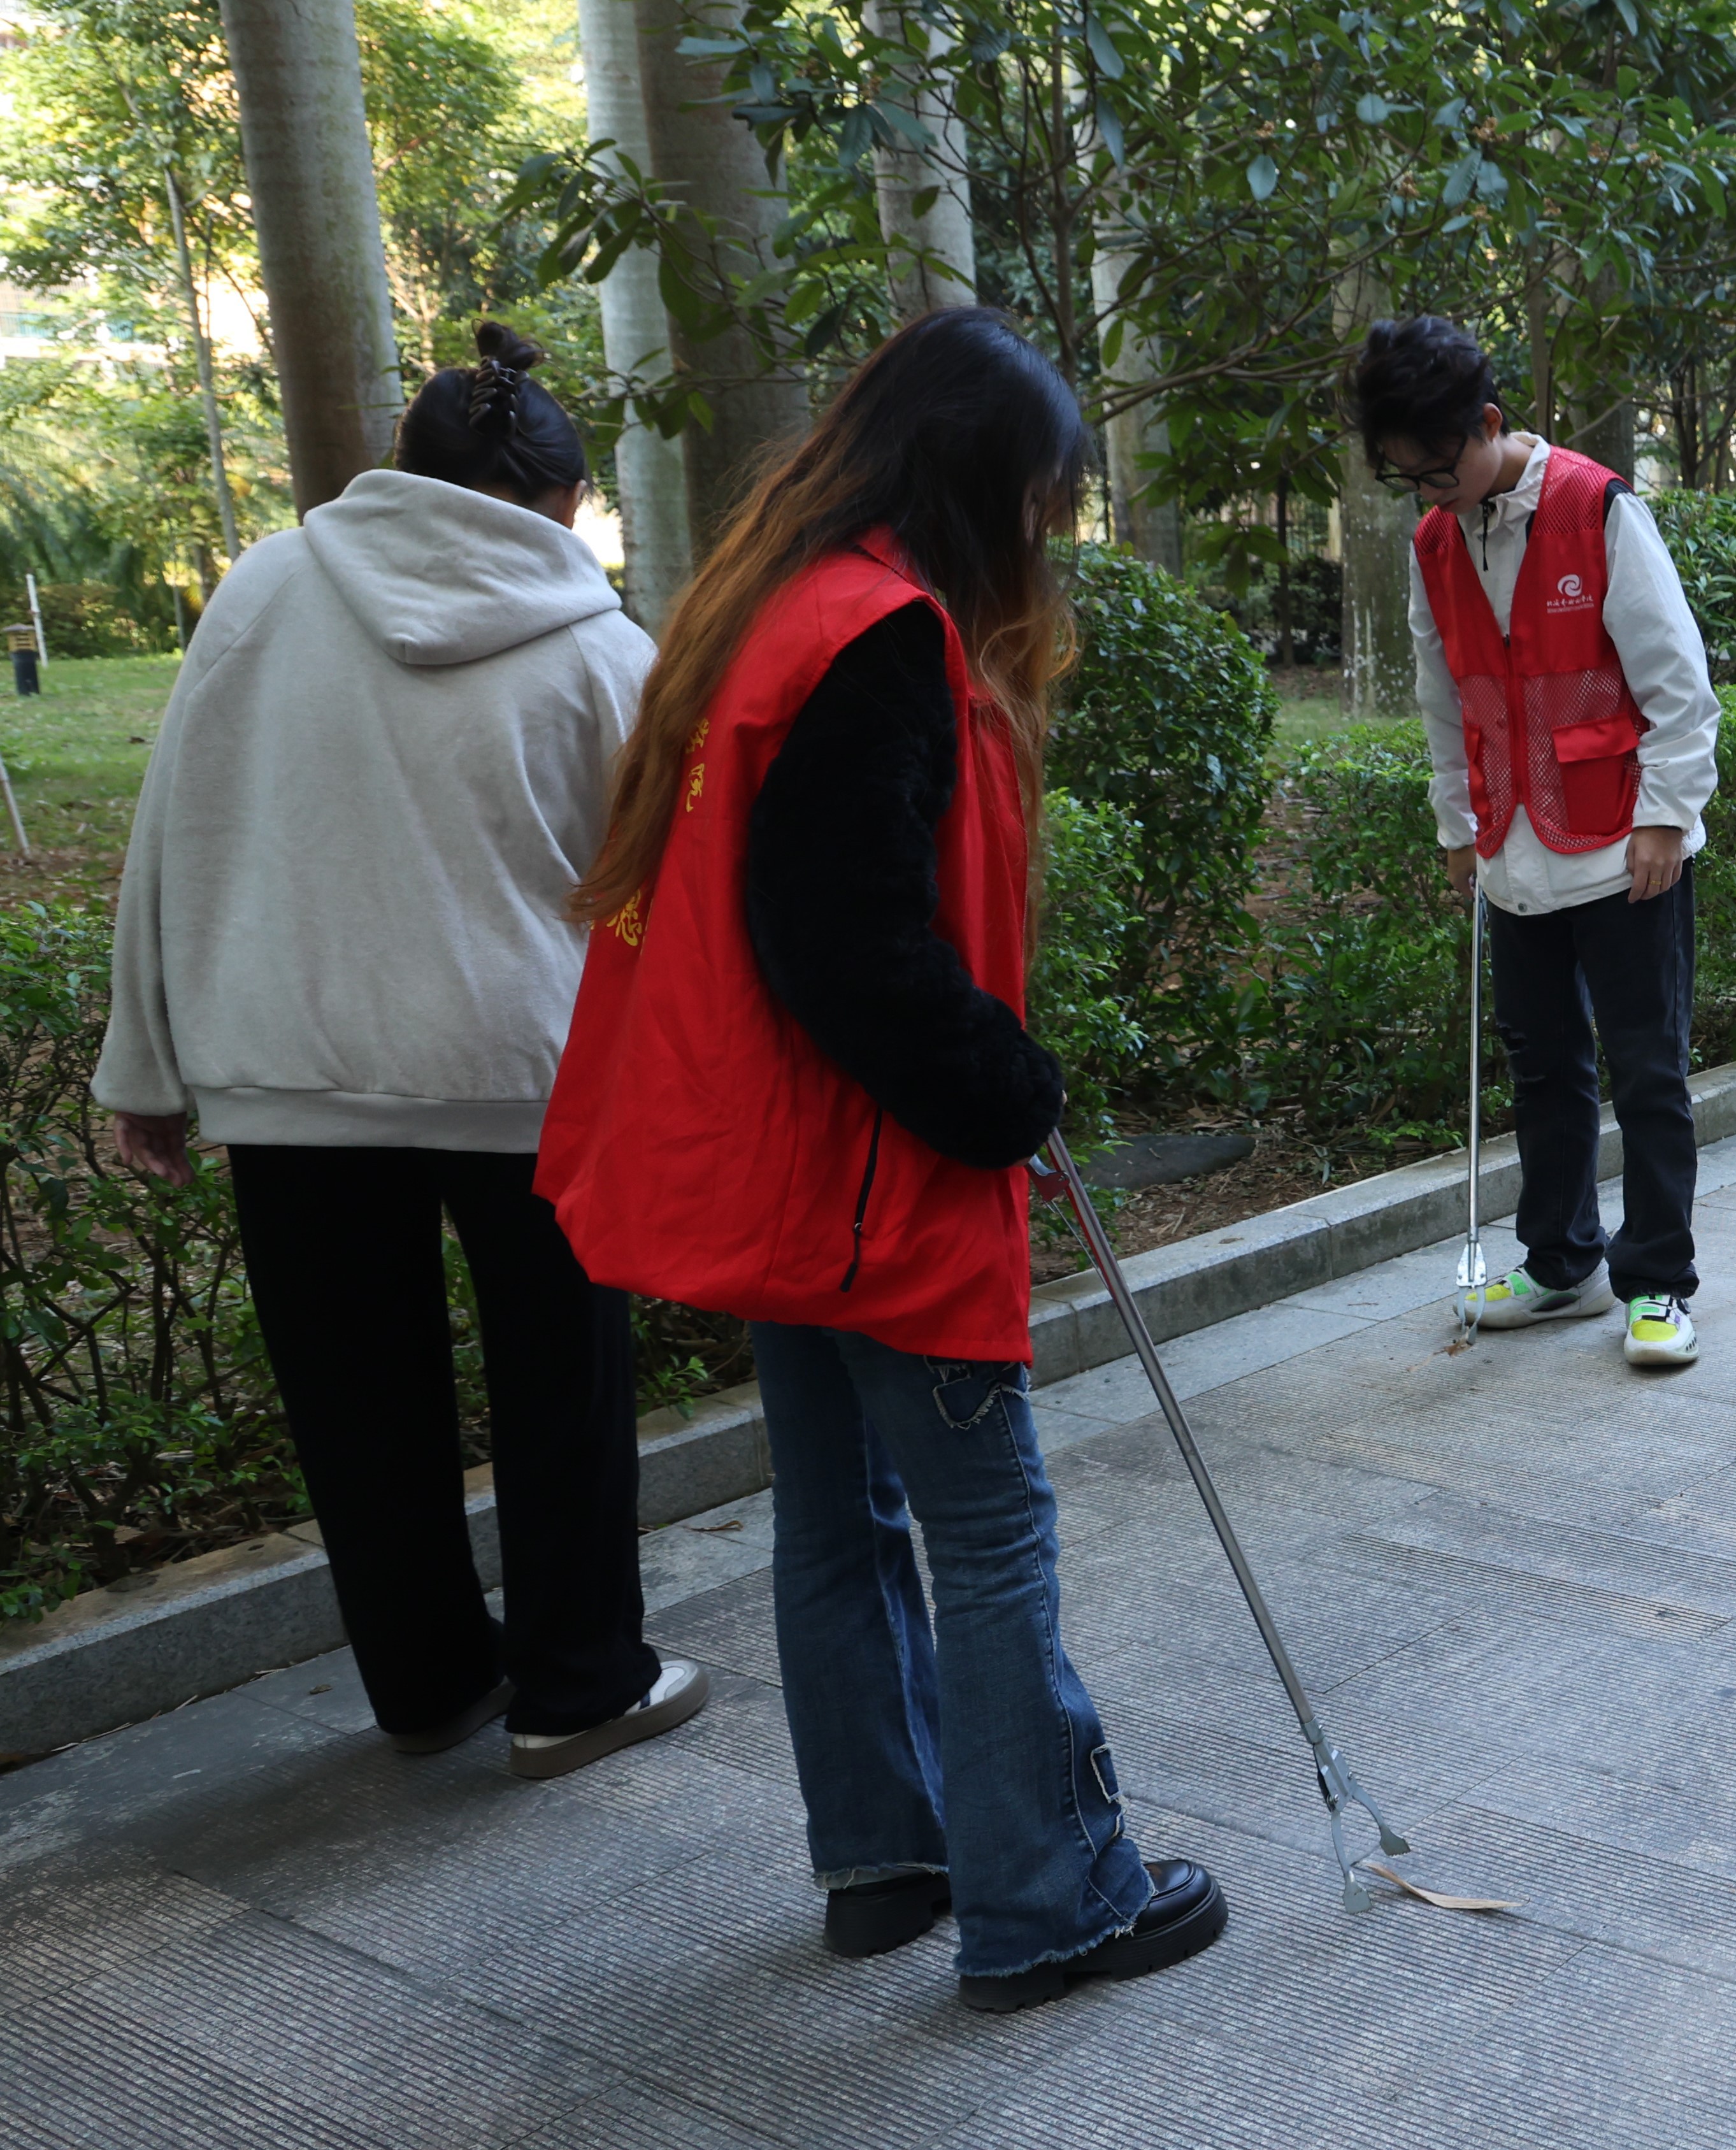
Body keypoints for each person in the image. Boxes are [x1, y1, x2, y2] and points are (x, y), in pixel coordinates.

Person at [534, 308, 1223, 2012]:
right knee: (990, 1528)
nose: (1047, 533)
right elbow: (845, 936)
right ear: (977, 476)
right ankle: (1049, 1899)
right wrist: (1003, 1088)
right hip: (878, 1180)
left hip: (792, 1172)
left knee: (836, 1515)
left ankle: (884, 1857)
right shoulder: (885, 636)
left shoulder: (773, 609)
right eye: (1044, 498)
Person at [95, 324, 706, 1781]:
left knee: (355, 1400)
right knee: (563, 1390)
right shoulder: (607, 651)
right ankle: (579, 1687)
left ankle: (430, 1684)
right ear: (565, 503)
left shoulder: (261, 591)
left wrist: (145, 1064)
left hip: (288, 1066)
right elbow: (662, 891)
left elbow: (171, 826)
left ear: (400, 471)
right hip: (525, 1074)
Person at [1356, 316, 1721, 1370]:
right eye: (1408, 479)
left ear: (1489, 423)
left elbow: (1678, 682)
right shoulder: (1435, 542)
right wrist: (1456, 826)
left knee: (1647, 1072)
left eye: (1440, 470)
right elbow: (1443, 700)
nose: (1431, 494)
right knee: (1544, 1071)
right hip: (1512, 853)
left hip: (1624, 847)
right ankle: (1563, 1263)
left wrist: (1665, 816)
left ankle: (1658, 1284)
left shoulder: (1598, 508)